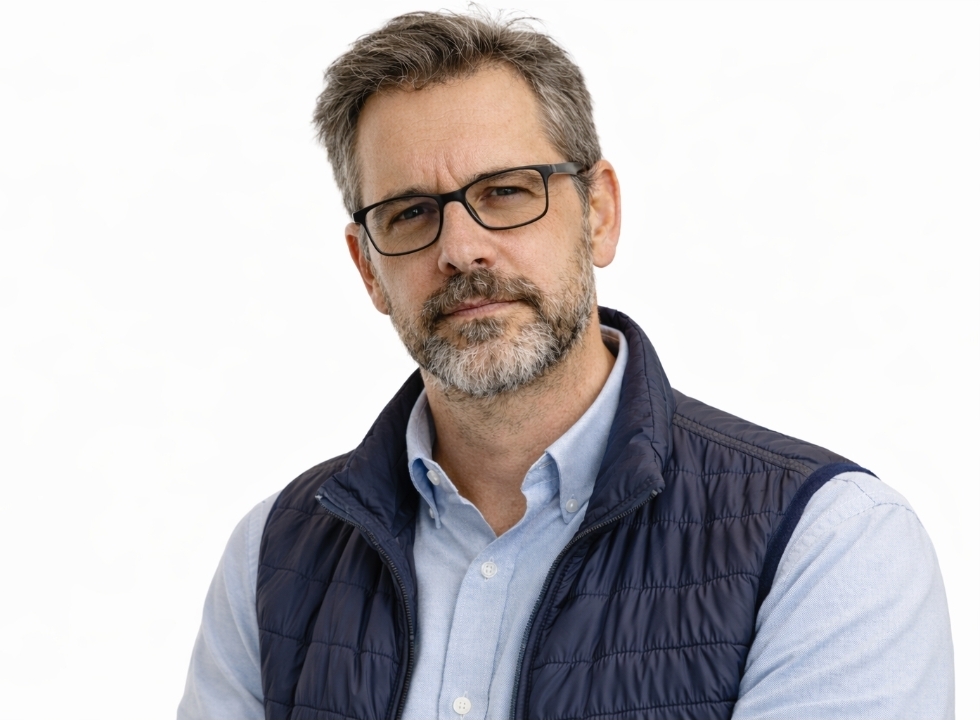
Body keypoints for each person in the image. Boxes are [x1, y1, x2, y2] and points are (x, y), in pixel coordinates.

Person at [178, 10, 953, 720]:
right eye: (410, 213)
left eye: (506, 192)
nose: (461, 249)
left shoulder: (827, 544)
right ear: (367, 268)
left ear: (599, 213)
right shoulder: (271, 560)